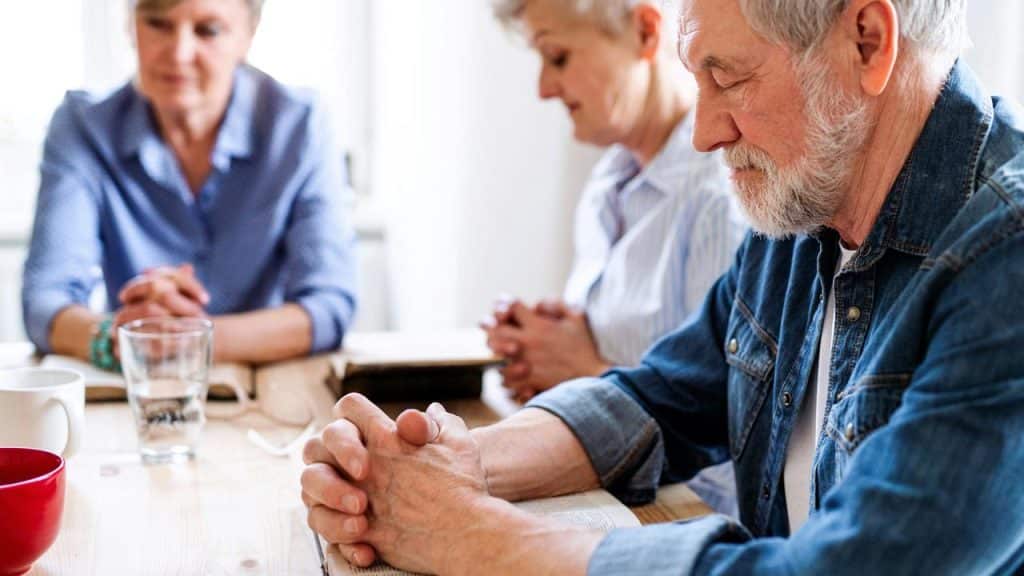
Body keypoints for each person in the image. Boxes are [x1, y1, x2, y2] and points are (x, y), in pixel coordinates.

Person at [302, 0, 1024, 573]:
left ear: (867, 40)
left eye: (729, 78)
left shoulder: (1006, 255)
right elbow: (662, 396)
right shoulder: (811, 200)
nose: (704, 133)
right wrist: (440, 469)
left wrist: (470, 538)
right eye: (696, 77)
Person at [481, 0, 744, 516]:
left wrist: (585, 371)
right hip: (607, 493)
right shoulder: (607, 184)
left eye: (557, 57)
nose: (544, 88)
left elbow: (739, 438)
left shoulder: (720, 198)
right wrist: (548, 348)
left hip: (683, 517)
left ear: (647, 32)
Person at [21, 0, 358, 367]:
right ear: (130, 25)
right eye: (158, 24)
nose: (179, 54)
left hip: (270, 390)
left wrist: (182, 337)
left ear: (249, 34)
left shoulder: (301, 125)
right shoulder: (82, 126)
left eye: (208, 30)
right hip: (138, 385)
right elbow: (45, 301)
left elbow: (330, 306)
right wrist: (116, 336)